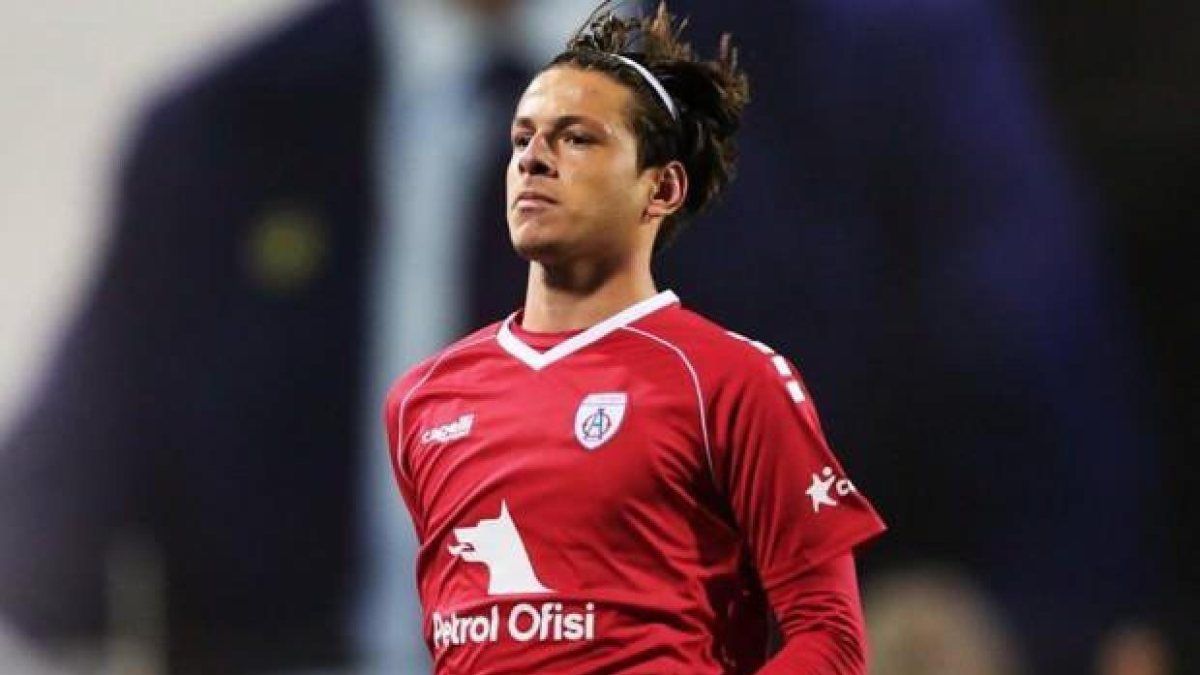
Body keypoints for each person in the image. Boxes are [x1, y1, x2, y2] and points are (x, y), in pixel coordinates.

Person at [383, 5, 886, 673]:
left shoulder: (731, 381)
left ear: (662, 187)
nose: (533, 159)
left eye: (576, 139)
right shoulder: (423, 399)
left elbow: (830, 637)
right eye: (522, 138)